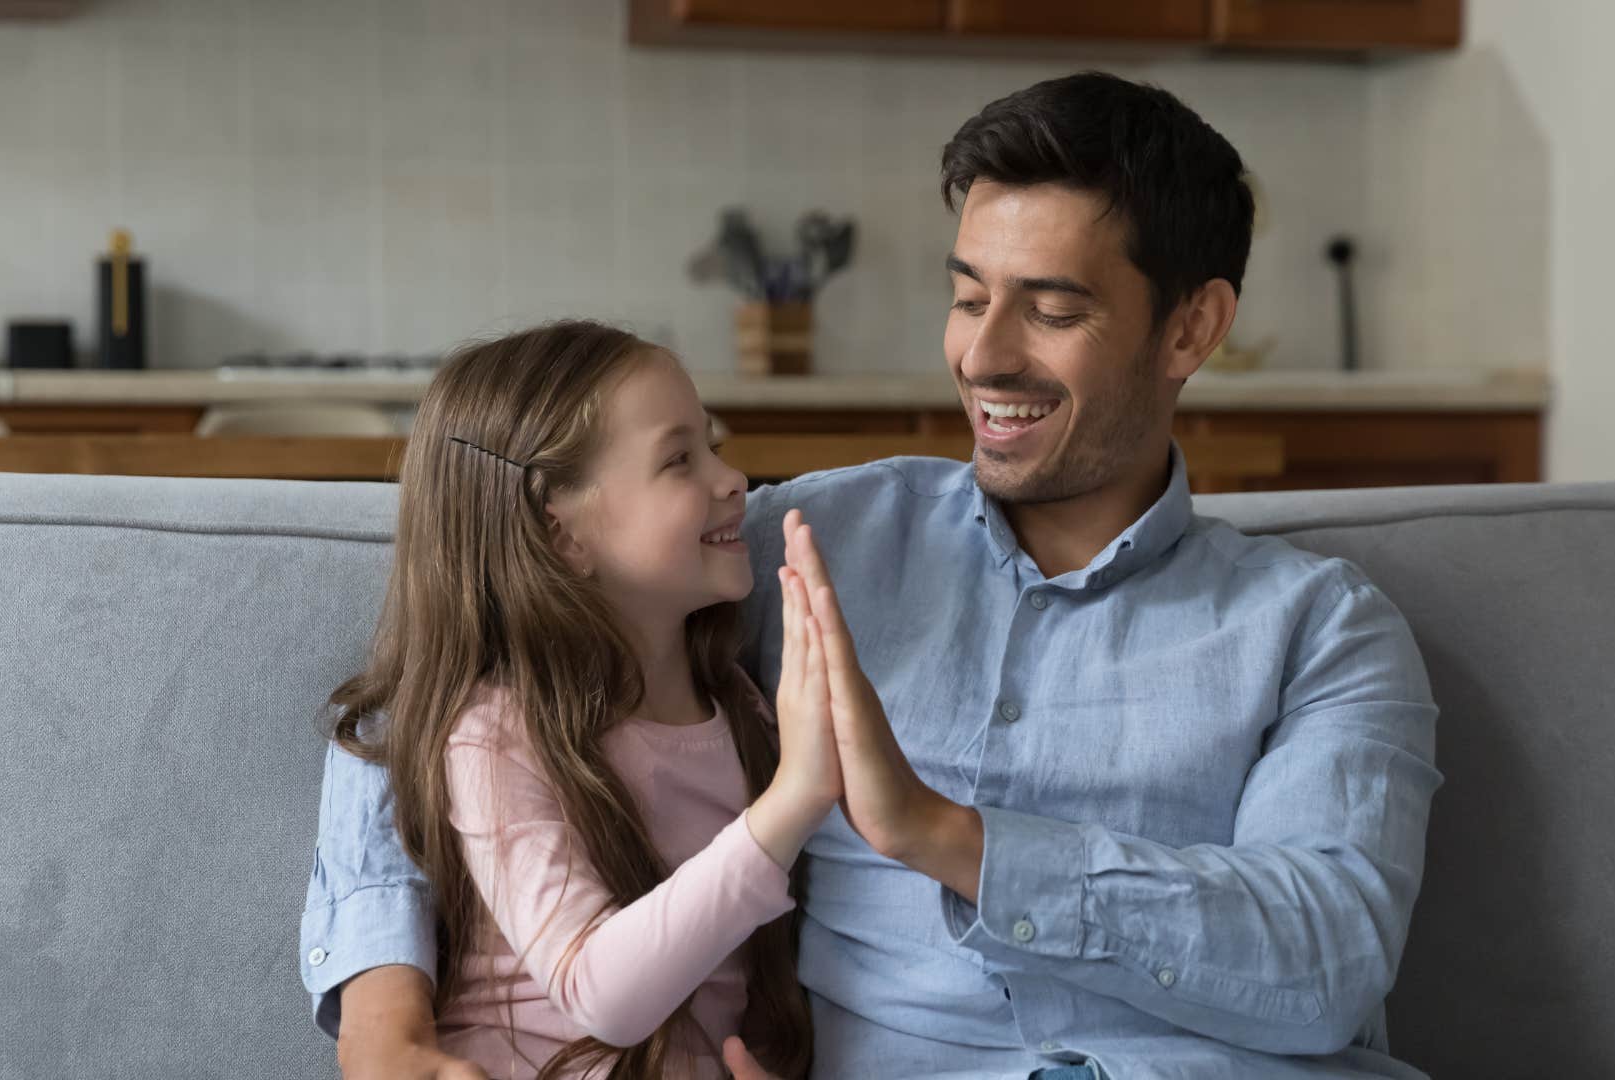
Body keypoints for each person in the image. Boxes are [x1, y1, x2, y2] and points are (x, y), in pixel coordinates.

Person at [304, 71, 1443, 1079]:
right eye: (968, 297)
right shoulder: (803, 546)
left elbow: (1331, 960)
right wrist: (382, 1009)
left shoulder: (1321, 629)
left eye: (1053, 310)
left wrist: (943, 836)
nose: (985, 355)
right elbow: (454, 671)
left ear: (1193, 329)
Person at [307, 320, 847, 1079]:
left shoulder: (748, 713)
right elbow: (600, 994)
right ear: (560, 532)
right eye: (679, 459)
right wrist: (793, 801)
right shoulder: (496, 733)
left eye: (713, 446)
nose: (733, 480)